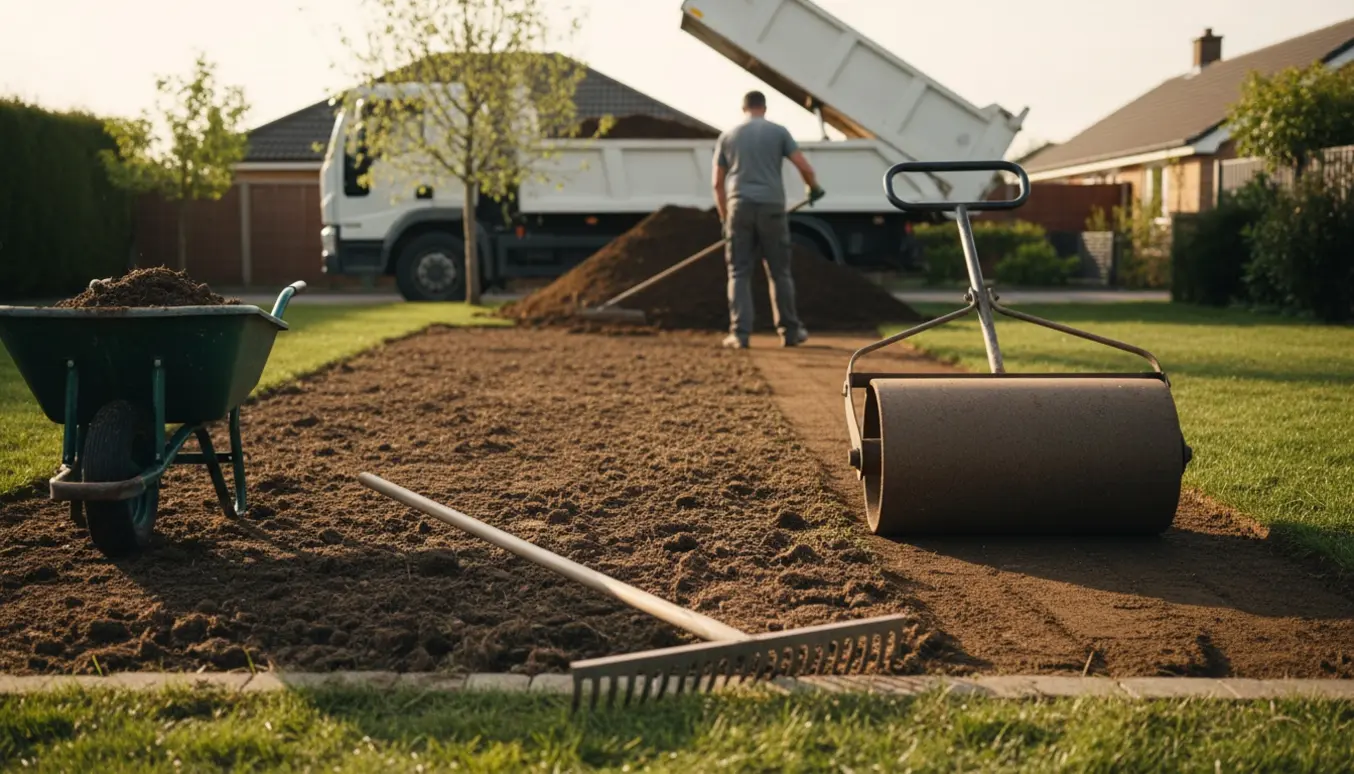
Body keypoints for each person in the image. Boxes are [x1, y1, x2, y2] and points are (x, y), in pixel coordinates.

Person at [712, 90, 825, 349]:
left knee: (738, 271)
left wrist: (725, 220)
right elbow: (805, 167)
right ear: (764, 107)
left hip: (739, 207)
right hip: (772, 207)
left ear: (744, 108)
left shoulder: (728, 136)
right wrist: (813, 188)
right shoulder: (778, 132)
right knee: (779, 272)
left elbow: (717, 183)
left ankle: (739, 334)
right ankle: (790, 332)